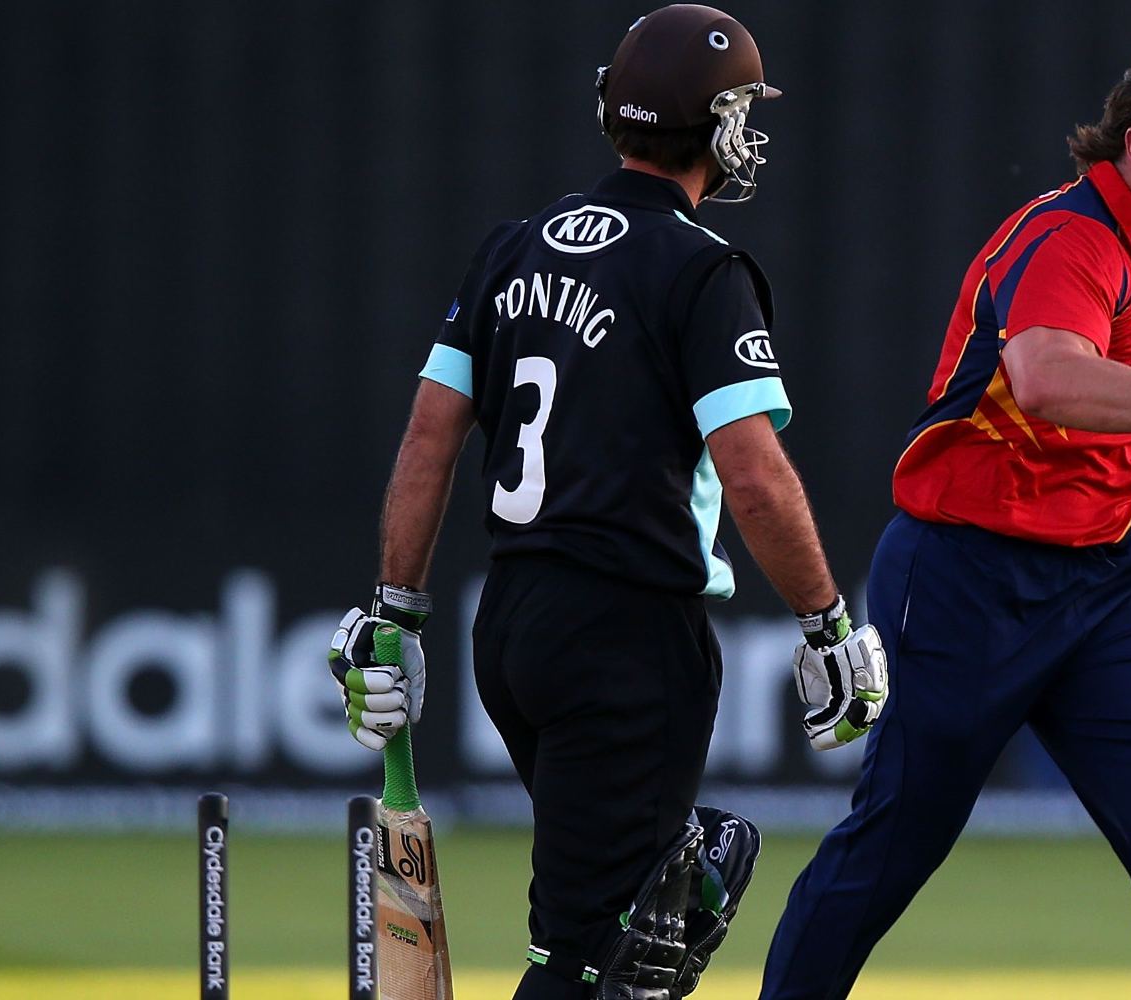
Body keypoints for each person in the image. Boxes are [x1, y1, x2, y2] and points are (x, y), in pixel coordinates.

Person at [325, 7, 888, 999]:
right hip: (629, 640)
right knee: (594, 962)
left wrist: (395, 609)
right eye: (744, 112)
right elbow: (754, 475)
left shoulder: (509, 249)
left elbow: (428, 438)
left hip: (512, 629)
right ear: (719, 124)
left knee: (658, 903)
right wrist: (826, 624)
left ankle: (685, 866)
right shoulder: (701, 269)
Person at [761, 45, 1131, 1000]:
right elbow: (1047, 380)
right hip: (968, 577)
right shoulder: (1069, 235)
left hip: (1103, 589)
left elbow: (1112, 447)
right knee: (894, 845)